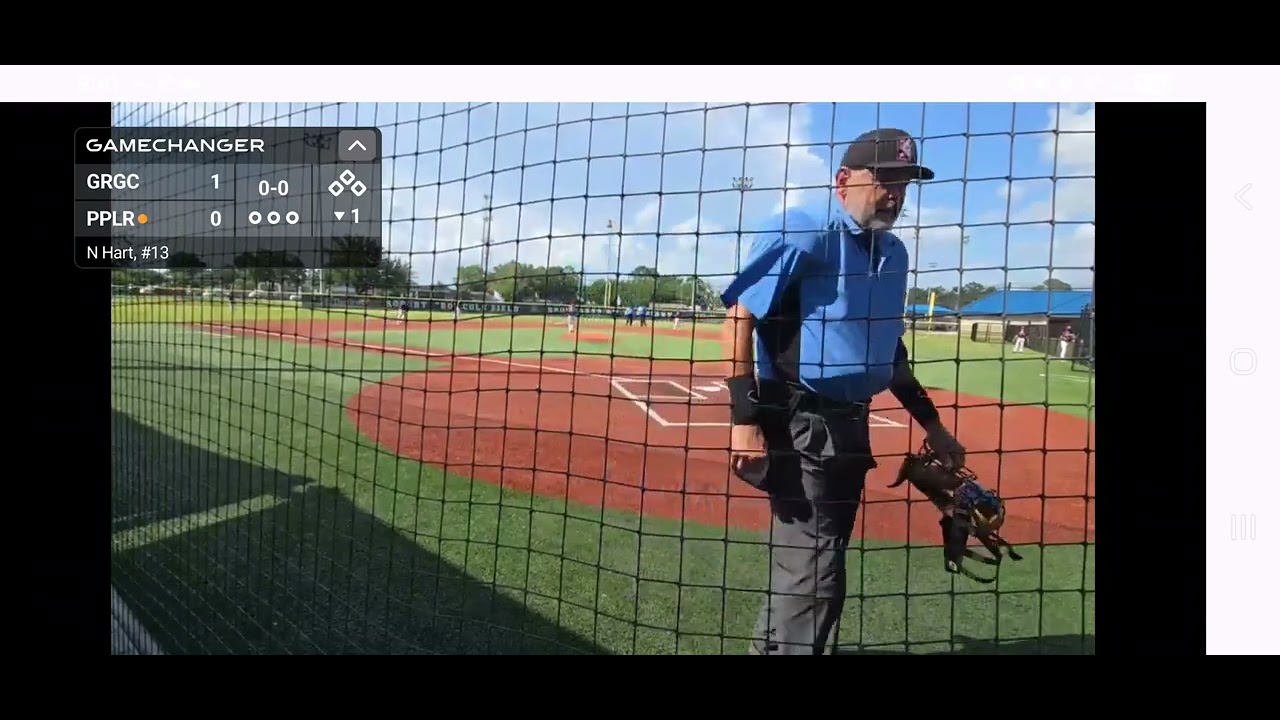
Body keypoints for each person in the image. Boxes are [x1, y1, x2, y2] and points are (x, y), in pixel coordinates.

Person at [719, 128, 967, 656]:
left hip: (851, 429)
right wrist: (744, 416)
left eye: (905, 181)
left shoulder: (893, 253)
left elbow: (888, 355)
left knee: (812, 562)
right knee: (818, 570)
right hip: (798, 422)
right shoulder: (805, 230)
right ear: (843, 181)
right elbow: (739, 313)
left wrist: (933, 426)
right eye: (885, 178)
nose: (896, 192)